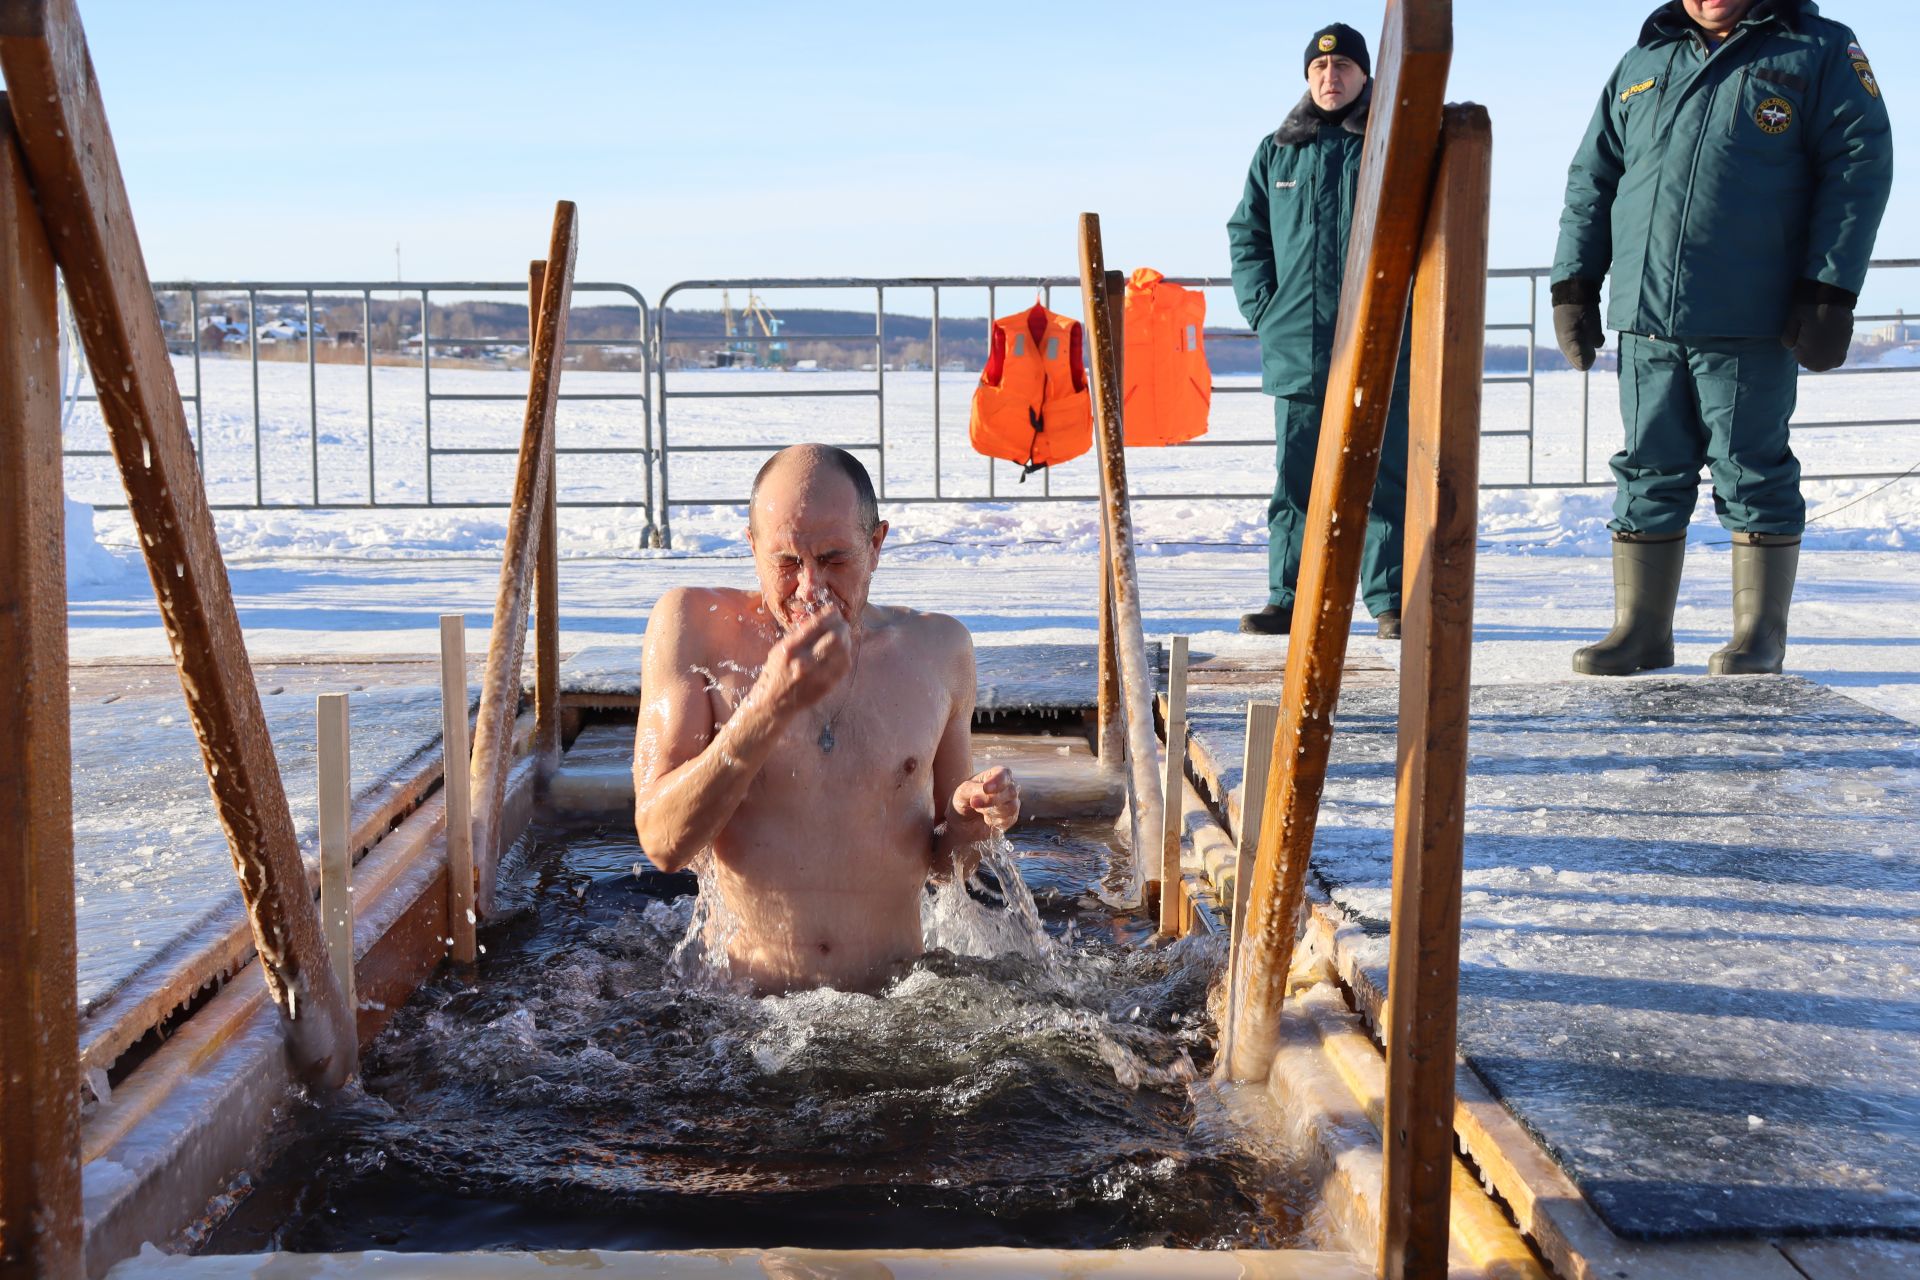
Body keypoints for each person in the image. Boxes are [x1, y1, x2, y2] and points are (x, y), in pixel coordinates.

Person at [1553, 0, 1892, 676]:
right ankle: (1641, 630)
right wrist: (1574, 283)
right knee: (1648, 466)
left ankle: (1757, 636)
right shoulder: (1643, 61)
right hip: (1647, 314)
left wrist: (1829, 292)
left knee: (1752, 470)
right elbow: (1593, 179)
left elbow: (1858, 169)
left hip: (1750, 313)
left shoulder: (1817, 50)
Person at [631, 444, 1021, 994]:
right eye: (786, 564)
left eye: (834, 560)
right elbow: (662, 841)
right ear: (753, 549)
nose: (809, 589)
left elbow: (945, 865)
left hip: (896, 1012)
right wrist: (766, 709)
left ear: (876, 544)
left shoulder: (938, 651)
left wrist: (970, 815)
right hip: (741, 1018)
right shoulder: (694, 628)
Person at [1228, 20, 1409, 641]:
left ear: (1366, 76)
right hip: (1299, 344)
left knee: (1384, 477)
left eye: (1344, 69)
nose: (1331, 78)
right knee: (1298, 480)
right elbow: (1246, 235)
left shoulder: (1394, 142)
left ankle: (1390, 601)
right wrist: (1264, 309)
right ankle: (1288, 596)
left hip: (1382, 340)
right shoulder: (1279, 149)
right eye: (1319, 70)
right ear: (1308, 77)